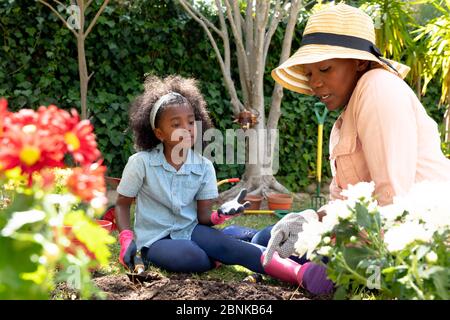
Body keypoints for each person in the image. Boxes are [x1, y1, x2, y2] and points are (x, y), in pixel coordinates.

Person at [259, 3, 450, 272]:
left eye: (325, 69)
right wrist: (310, 217)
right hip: (370, 234)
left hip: (421, 242)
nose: (314, 83)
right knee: (269, 238)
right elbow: (347, 204)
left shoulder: (378, 88)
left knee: (287, 255)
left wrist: (368, 268)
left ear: (360, 61)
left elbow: (393, 201)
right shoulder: (343, 118)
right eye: (309, 74)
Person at [114, 75, 333, 294]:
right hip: (156, 240)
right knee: (193, 257)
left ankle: (301, 273)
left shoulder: (204, 167)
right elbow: (122, 203)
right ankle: (227, 242)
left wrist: (220, 215)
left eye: (191, 122)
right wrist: (126, 238)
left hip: (192, 230)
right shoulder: (140, 163)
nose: (187, 129)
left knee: (229, 248)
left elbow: (202, 218)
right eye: (176, 124)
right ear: (158, 133)